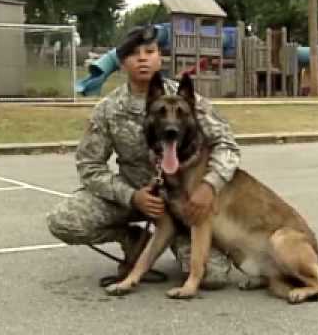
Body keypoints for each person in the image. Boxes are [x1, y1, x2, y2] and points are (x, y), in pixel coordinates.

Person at [46, 25, 241, 288]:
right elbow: (89, 166)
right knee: (64, 221)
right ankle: (133, 240)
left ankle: (178, 240)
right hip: (132, 196)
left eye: (150, 51)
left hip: (184, 201)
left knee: (213, 276)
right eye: (133, 54)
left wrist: (209, 186)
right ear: (121, 62)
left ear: (160, 58)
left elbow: (226, 143)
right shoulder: (109, 110)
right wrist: (132, 196)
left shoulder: (185, 99)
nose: (142, 58)